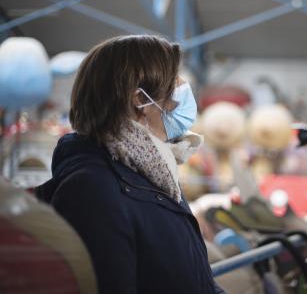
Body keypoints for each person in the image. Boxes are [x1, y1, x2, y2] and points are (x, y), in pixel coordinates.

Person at [35, 35, 225, 294]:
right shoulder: (91, 189)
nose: (182, 92)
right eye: (174, 83)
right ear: (140, 100)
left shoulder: (154, 176)